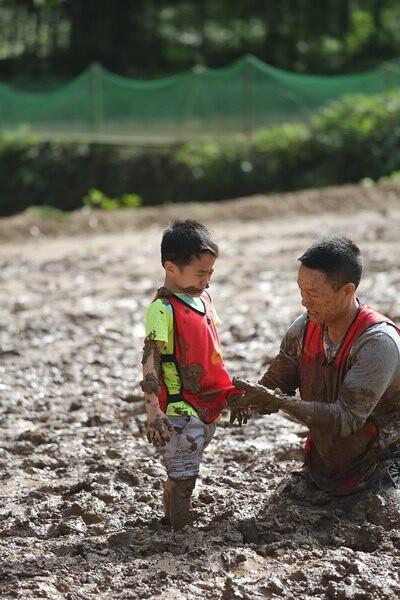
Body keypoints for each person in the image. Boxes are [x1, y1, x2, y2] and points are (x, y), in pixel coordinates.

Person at [231, 236, 400, 498]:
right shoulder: (303, 329)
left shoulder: (378, 344)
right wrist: (231, 399)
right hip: (323, 466)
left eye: (314, 294)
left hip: (383, 466)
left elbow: (345, 419)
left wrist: (282, 403)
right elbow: (275, 385)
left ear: (347, 291)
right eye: (301, 290)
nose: (305, 302)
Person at [140, 219, 242, 529]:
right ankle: (178, 531)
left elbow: (212, 353)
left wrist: (230, 394)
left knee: (184, 471)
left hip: (205, 404)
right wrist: (153, 411)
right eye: (200, 274)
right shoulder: (162, 309)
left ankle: (171, 522)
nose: (207, 281)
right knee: (184, 475)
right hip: (178, 409)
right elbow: (149, 361)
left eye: (210, 273)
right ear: (171, 268)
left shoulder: (204, 300)